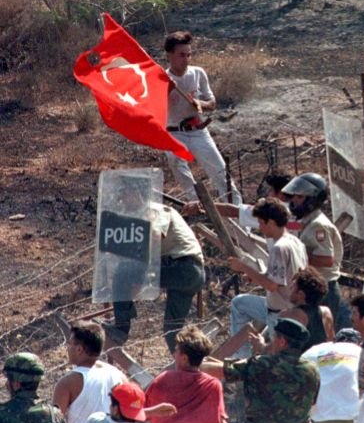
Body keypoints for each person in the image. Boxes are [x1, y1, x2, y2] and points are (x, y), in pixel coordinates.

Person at [201, 318, 320, 423]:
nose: (272, 342)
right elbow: (313, 401)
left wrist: (195, 361)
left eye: (274, 338)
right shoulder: (312, 370)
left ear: (282, 342)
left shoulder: (260, 364)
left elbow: (217, 370)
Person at [111, 175, 207, 354]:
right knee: (172, 332)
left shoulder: (154, 210)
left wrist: (137, 276)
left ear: (136, 192)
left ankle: (120, 330)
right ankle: (188, 367)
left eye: (123, 193)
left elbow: (155, 237)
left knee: (122, 273)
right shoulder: (146, 213)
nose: (121, 198)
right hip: (189, 272)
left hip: (182, 267)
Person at [145, 325, 240, 423]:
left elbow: (146, 411)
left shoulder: (163, 380)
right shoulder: (212, 385)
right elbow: (218, 421)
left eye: (176, 350)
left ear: (184, 358)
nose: (173, 354)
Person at [163, 30, 241, 204]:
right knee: (177, 163)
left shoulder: (197, 73)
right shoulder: (162, 78)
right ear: (169, 55)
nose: (186, 59)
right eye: (181, 55)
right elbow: (154, 107)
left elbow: (211, 102)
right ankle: (199, 204)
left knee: (221, 173)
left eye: (189, 55)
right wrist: (166, 89)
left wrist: (200, 104)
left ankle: (237, 212)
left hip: (198, 130)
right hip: (174, 132)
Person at [228, 198, 308, 357]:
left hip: (280, 312)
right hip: (293, 309)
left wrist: (243, 267)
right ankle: (242, 355)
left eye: (261, 223)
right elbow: (281, 276)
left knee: (275, 359)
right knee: (239, 303)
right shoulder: (296, 242)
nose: (260, 227)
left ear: (271, 222)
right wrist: (255, 276)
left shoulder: (279, 247)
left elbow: (272, 285)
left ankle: (242, 360)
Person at [53, 321, 126, 423]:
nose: (68, 348)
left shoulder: (69, 382)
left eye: (70, 344)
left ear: (79, 349)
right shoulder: (118, 375)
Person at [281, 173, 350, 329]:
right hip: (313, 288)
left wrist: (297, 254)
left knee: (324, 334)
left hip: (324, 289)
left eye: (299, 197)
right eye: (294, 196)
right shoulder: (306, 221)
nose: (294, 201)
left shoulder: (318, 225)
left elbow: (327, 259)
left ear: (312, 200)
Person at [0, 353, 75, 423]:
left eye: (8, 380)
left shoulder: (3, 414)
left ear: (16, 384)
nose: (6, 384)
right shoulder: (54, 414)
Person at [301, 329, 361, 423]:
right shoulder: (362, 352)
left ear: (334, 340)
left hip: (323, 418)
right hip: (356, 417)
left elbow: (301, 370)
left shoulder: (318, 349)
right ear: (359, 342)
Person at [279, 267, 335, 351]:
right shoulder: (326, 312)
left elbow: (277, 349)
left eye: (293, 287)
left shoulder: (288, 315)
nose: (290, 288)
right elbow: (331, 343)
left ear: (301, 294)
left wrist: (260, 345)